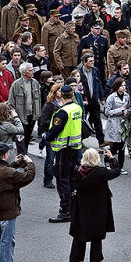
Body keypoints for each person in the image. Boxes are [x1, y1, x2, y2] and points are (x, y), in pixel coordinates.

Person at [67, 148, 120, 262]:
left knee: (79, 235)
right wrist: (111, 158)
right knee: (96, 236)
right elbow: (116, 171)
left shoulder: (77, 171)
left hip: (81, 207)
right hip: (98, 208)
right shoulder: (101, 173)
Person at [0, 143, 35, 262]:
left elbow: (4, 173)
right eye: (8, 153)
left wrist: (14, 164)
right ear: (5, 155)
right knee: (8, 240)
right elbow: (27, 177)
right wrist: (30, 164)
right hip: (8, 209)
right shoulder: (8, 172)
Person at [43, 85, 83, 223]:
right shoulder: (77, 108)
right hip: (75, 147)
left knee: (62, 179)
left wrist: (45, 138)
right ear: (71, 95)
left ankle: (65, 210)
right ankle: (73, 207)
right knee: (71, 178)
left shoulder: (62, 112)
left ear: (62, 95)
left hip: (63, 149)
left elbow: (55, 130)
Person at [38, 82, 63, 188]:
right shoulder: (49, 105)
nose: (61, 93)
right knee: (50, 159)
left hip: (63, 135)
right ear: (54, 92)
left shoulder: (66, 103)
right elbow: (43, 120)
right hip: (51, 134)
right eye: (59, 90)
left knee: (60, 160)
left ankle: (60, 178)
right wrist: (56, 123)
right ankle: (48, 179)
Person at [103, 77, 131, 174]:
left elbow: (129, 108)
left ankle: (120, 166)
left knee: (123, 146)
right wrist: (120, 110)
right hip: (114, 122)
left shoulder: (127, 96)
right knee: (115, 145)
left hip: (123, 122)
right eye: (121, 86)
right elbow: (106, 112)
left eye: (124, 86)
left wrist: (127, 112)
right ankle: (108, 161)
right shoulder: (111, 97)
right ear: (117, 86)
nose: (123, 88)